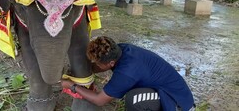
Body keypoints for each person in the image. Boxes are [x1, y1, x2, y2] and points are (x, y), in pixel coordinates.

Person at [61, 36, 195, 111]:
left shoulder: (126, 72)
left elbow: (99, 100)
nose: (95, 66)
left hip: (179, 103)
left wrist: (72, 85)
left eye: (97, 63)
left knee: (135, 99)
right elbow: (102, 67)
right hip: (167, 91)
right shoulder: (121, 49)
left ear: (111, 63)